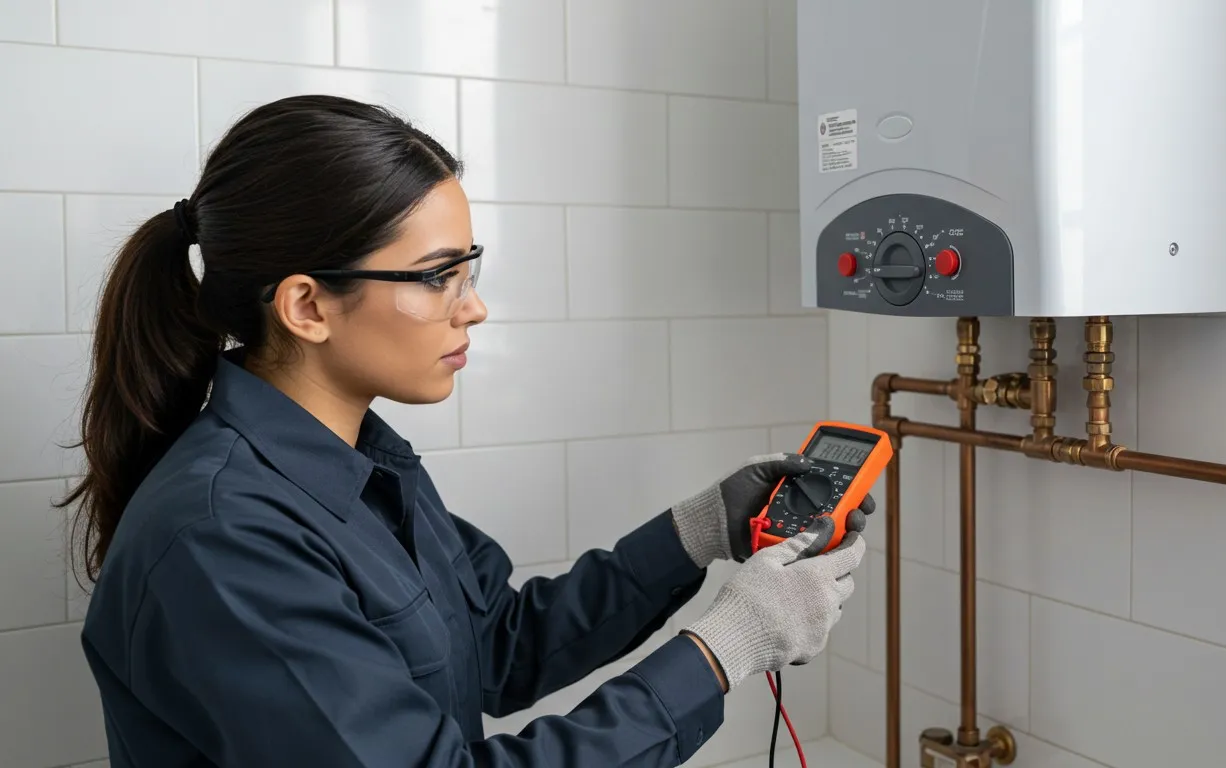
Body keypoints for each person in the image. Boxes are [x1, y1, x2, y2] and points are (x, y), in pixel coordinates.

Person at [58, 95, 870, 767]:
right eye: (435, 277)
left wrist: (697, 532)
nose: (472, 304)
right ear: (306, 306)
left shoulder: (366, 463)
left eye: (466, 268)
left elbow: (497, 645)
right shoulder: (224, 538)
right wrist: (725, 649)